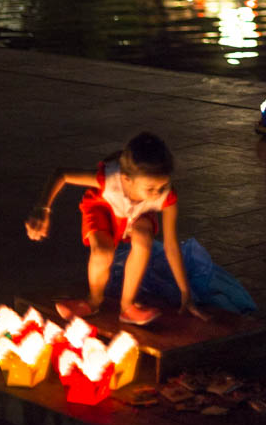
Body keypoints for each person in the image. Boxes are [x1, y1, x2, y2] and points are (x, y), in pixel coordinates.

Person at [25, 131, 208, 326]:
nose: (158, 194)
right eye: (150, 188)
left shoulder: (166, 196)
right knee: (103, 253)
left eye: (163, 187)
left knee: (143, 237)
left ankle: (127, 306)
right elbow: (61, 174)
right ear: (126, 179)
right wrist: (42, 209)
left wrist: (185, 292)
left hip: (137, 216)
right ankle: (93, 301)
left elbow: (171, 245)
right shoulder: (109, 180)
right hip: (102, 208)